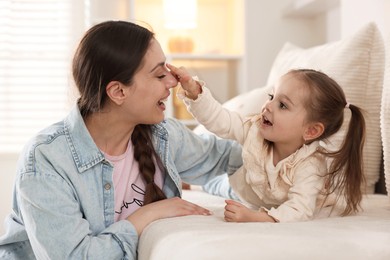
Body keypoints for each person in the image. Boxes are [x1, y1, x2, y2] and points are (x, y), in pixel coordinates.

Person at [0, 21, 242, 259]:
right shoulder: (46, 160)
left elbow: (231, 160)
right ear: (118, 92)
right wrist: (147, 215)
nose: (172, 81)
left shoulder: (163, 136)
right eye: (159, 75)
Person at [168, 64, 366, 223]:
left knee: (221, 187)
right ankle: (196, 184)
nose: (268, 106)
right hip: (245, 183)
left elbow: (299, 209)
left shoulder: (311, 166)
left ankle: (198, 185)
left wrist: (255, 217)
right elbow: (222, 121)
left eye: (282, 105)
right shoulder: (254, 129)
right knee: (221, 186)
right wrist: (196, 93)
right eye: (272, 97)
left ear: (311, 131)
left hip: (260, 199)